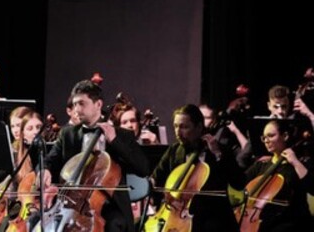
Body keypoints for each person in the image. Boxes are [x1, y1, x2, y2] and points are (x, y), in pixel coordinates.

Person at [40, 79, 151, 232]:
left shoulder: (122, 135)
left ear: (98, 104)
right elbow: (50, 160)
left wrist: (114, 141)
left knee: (112, 225)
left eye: (81, 103)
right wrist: (45, 169)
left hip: (110, 205)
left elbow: (143, 168)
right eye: (74, 104)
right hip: (71, 202)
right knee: (40, 220)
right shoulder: (68, 134)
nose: (76, 109)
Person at [148, 104, 245, 232]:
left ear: (199, 127)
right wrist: (151, 186)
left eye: (184, 127)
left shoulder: (219, 150)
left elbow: (239, 182)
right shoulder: (174, 151)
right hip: (180, 215)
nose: (178, 132)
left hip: (213, 218)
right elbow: (156, 177)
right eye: (176, 126)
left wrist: (217, 154)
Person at [238, 120, 313, 230]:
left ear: (285, 136)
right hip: (264, 222)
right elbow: (238, 183)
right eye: (264, 138)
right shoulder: (261, 165)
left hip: (292, 224)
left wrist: (295, 162)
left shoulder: (300, 164)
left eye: (271, 136)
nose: (266, 141)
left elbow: (312, 187)